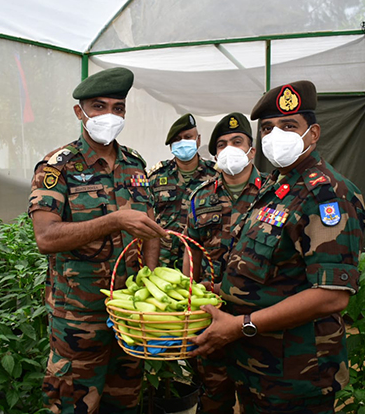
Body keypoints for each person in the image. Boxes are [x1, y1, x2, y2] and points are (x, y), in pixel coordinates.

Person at [189, 81, 365, 414]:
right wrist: (221, 290)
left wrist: (242, 323)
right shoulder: (276, 186)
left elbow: (331, 294)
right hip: (257, 365)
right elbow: (268, 267)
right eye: (268, 128)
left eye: (289, 126)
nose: (275, 135)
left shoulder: (327, 194)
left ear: (313, 134)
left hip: (297, 373)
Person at [28, 67, 167, 414]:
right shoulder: (56, 168)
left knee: (125, 401)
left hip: (130, 316)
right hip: (78, 318)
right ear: (80, 112)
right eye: (99, 106)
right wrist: (115, 220)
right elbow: (45, 237)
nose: (109, 115)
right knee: (74, 404)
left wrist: (149, 283)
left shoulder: (135, 165)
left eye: (117, 108)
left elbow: (148, 226)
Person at [183, 112, 265, 414]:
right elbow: (189, 252)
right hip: (209, 316)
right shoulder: (199, 198)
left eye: (237, 141)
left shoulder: (273, 195)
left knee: (258, 399)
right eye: (222, 144)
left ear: (251, 150)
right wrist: (187, 299)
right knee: (213, 397)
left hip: (257, 319)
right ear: (215, 154)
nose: (229, 148)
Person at [149, 113, 218, 268]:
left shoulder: (215, 176)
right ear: (171, 145)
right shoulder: (156, 176)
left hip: (201, 261)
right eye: (177, 139)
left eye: (188, 137)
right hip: (162, 261)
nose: (183, 142)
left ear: (198, 140)